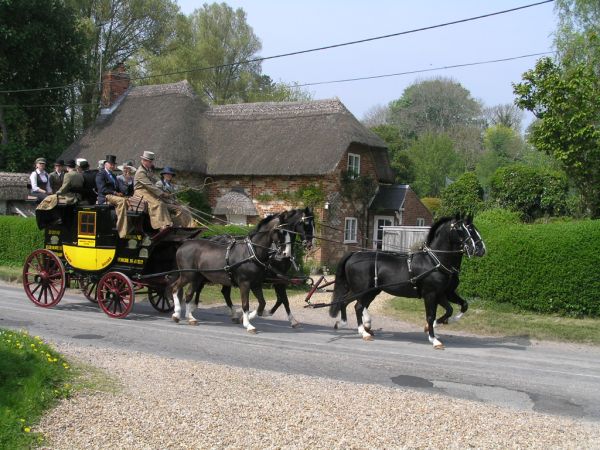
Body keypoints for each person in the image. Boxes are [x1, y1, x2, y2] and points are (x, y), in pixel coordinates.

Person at [134, 151, 195, 230]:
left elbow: (154, 181)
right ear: (144, 161)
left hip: (149, 192)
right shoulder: (140, 172)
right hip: (141, 192)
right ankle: (162, 226)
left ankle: (187, 226)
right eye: (150, 161)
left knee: (180, 207)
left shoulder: (148, 171)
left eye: (151, 161)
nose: (151, 163)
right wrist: (162, 194)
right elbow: (150, 186)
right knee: (158, 204)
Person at [96, 155, 129, 238]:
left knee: (129, 200)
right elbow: (102, 189)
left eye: (114, 165)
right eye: (111, 164)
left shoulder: (114, 176)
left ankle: (130, 227)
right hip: (105, 196)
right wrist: (115, 193)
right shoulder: (101, 174)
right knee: (122, 201)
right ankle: (121, 230)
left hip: (114, 196)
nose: (113, 166)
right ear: (105, 164)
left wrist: (127, 182)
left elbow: (120, 188)